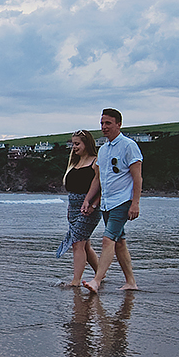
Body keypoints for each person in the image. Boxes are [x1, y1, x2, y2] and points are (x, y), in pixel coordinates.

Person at [87, 108, 142, 292]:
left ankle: (97, 280)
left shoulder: (129, 146)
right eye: (102, 123)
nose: (104, 127)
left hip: (122, 201)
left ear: (119, 124)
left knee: (107, 239)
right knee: (119, 242)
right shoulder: (102, 150)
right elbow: (98, 179)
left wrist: (135, 203)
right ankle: (131, 282)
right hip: (106, 203)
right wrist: (89, 200)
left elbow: (137, 178)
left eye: (108, 123)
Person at [56, 130, 103, 288]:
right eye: (73, 143)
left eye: (77, 144)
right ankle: (100, 274)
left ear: (86, 144)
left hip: (89, 208)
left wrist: (94, 204)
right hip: (74, 208)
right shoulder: (74, 163)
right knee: (85, 244)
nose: (74, 147)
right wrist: (70, 209)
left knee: (77, 243)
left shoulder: (95, 162)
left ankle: (76, 281)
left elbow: (102, 186)